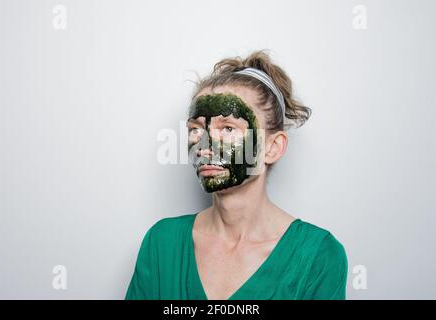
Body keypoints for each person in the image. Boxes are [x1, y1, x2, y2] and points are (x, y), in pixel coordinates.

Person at [125, 50, 348, 300]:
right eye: (196, 130)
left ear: (273, 147)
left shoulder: (318, 256)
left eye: (228, 128)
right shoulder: (162, 243)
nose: (205, 145)